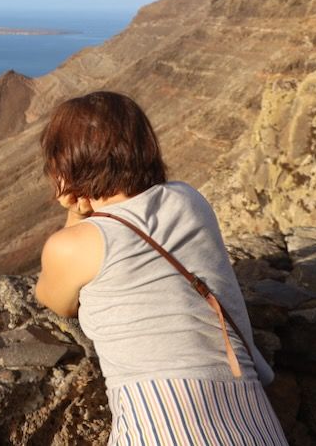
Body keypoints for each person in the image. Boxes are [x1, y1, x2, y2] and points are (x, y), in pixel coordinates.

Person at [34, 91, 288, 445]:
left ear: (65, 164)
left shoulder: (73, 244)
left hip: (163, 419)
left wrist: (76, 209)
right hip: (247, 412)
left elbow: (54, 300)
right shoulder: (189, 200)